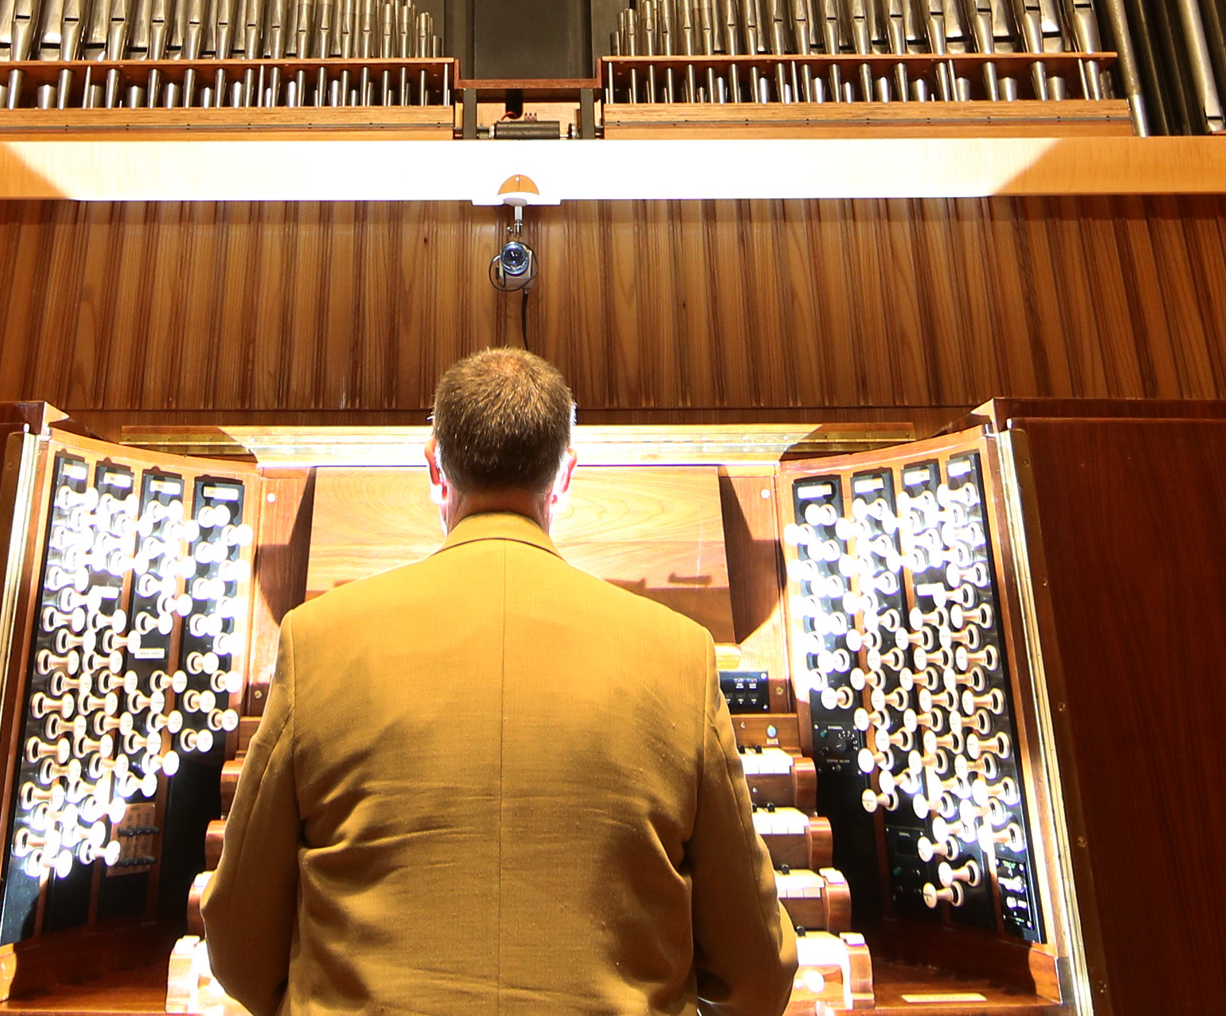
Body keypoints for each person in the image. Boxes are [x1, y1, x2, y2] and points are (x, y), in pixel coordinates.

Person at [203, 346, 796, 1016]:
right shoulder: (681, 654)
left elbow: (235, 945)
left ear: (435, 467)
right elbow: (757, 972)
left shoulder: (316, 638)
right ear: (566, 475)